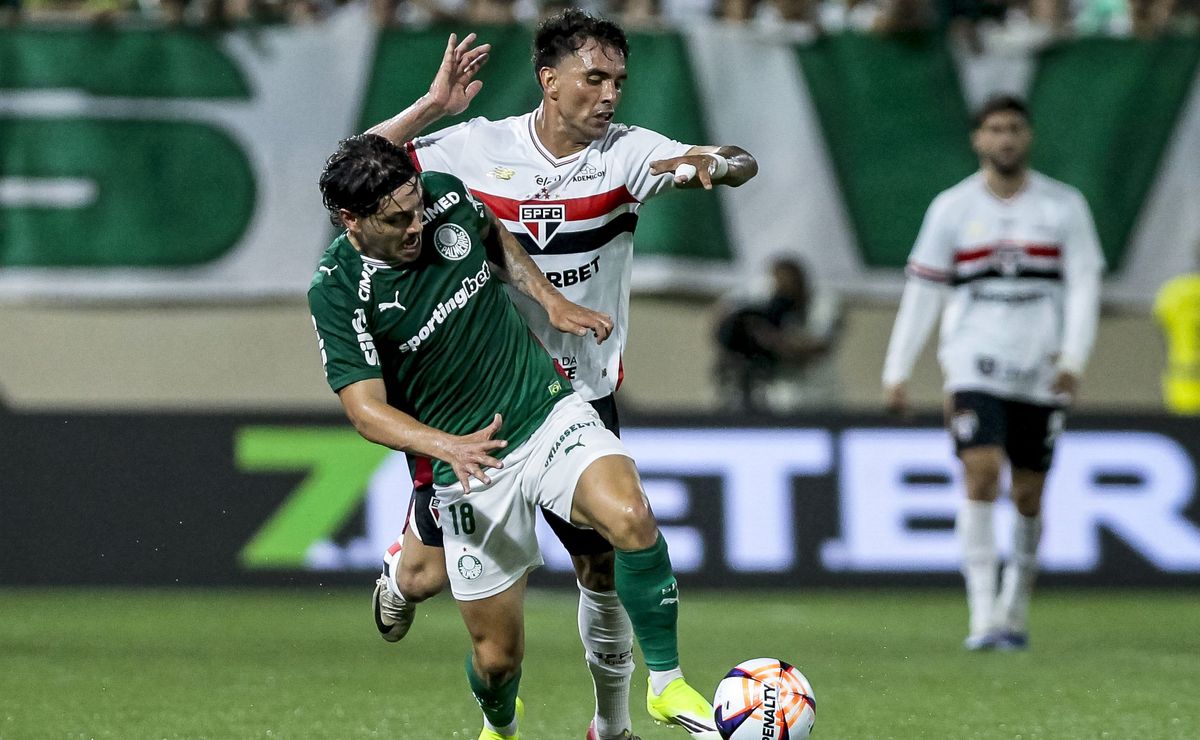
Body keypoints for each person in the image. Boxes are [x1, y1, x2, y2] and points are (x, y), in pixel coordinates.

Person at [366, 11, 756, 740]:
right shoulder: (475, 146)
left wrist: (717, 164)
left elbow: (729, 156)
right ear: (549, 80)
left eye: (619, 81)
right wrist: (428, 108)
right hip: (474, 404)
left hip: (579, 395)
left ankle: (612, 725)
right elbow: (359, 171)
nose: (609, 95)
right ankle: (400, 572)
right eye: (594, 78)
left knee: (606, 560)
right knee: (426, 582)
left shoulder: (632, 154)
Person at [312, 134, 721, 740]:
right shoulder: (340, 291)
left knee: (630, 519)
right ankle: (500, 724)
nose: (416, 226)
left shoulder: (445, 200)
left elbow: (494, 239)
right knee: (497, 659)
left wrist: (549, 300)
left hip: (545, 409)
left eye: (418, 208)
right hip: (468, 465)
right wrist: (448, 446)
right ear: (351, 219)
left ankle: (665, 686)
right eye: (397, 221)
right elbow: (366, 410)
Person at [881, 95, 1104, 651]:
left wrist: (1074, 358)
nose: (1005, 139)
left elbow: (1084, 287)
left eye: (1014, 129)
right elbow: (925, 290)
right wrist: (898, 367)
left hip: (1042, 367)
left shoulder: (1063, 206)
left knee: (1029, 492)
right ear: (978, 139)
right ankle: (983, 615)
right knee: (980, 474)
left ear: (1027, 138)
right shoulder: (952, 209)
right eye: (994, 129)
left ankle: (1015, 606)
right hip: (972, 361)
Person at [713, 256, 840, 412]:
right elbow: (723, 321)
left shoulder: (823, 304)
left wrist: (771, 339)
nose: (785, 296)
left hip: (813, 395)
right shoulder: (763, 294)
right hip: (770, 390)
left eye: (790, 288)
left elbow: (818, 347)